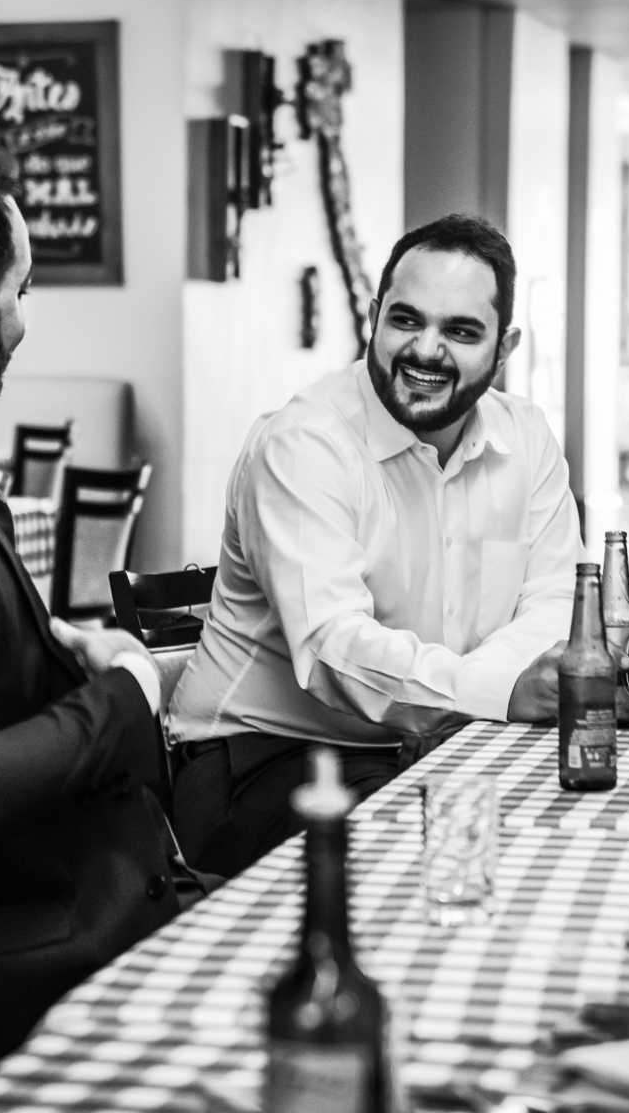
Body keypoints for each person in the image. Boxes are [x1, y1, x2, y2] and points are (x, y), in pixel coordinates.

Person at [0, 137, 209, 1108]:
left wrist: (63, 658)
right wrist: (125, 693)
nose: (28, 322)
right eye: (23, 291)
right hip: (21, 956)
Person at [169, 214, 585, 877]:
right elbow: (333, 647)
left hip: (428, 744)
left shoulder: (526, 435)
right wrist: (498, 689)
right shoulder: (304, 443)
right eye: (405, 320)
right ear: (373, 315)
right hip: (261, 760)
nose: (425, 350)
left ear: (504, 346)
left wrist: (496, 687)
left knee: (559, 828)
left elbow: (552, 595)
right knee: (445, 861)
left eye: (460, 330)